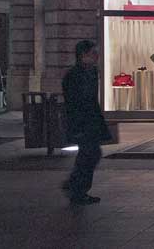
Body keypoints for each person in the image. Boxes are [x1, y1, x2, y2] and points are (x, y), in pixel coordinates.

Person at [62, 40, 111, 205]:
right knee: (89, 154)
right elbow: (75, 102)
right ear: (83, 55)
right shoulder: (75, 75)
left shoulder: (90, 73)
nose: (97, 56)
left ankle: (76, 188)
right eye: (93, 53)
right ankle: (76, 188)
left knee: (89, 154)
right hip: (82, 122)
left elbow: (91, 100)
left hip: (90, 121)